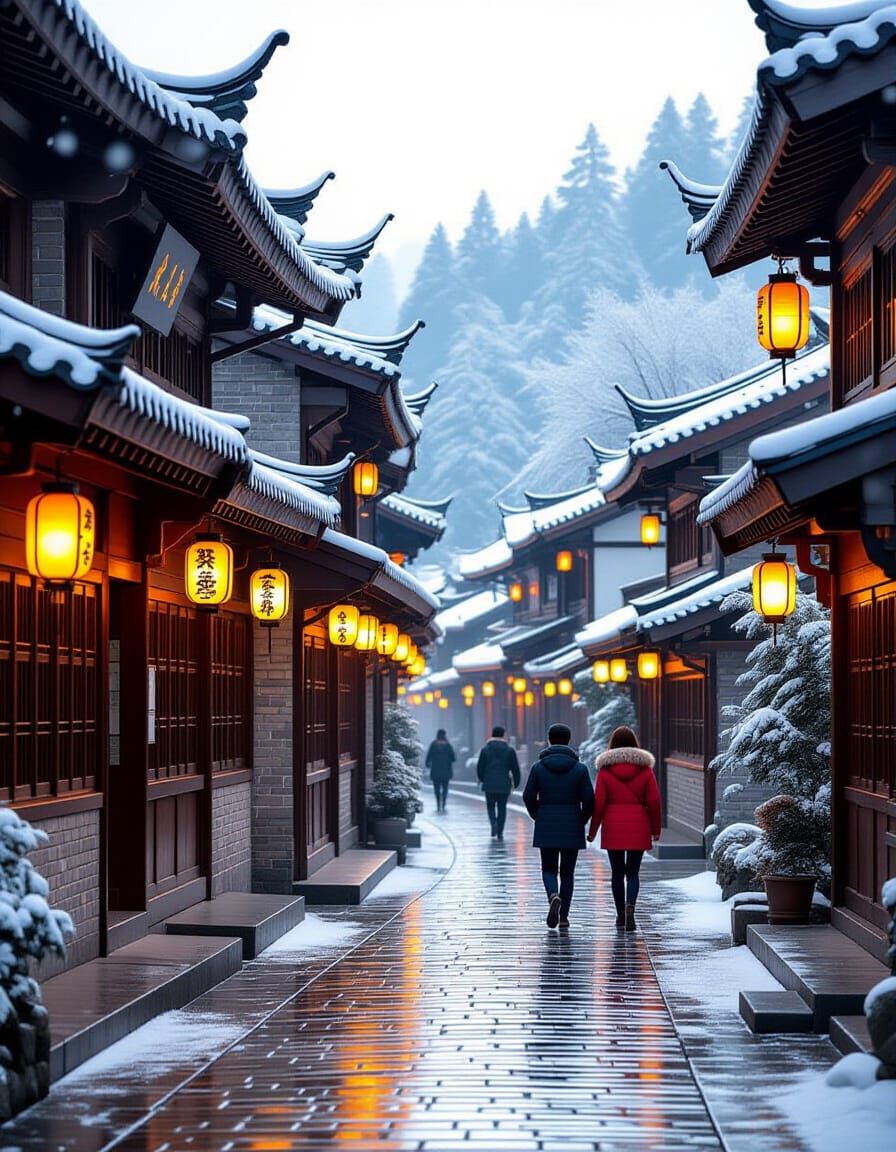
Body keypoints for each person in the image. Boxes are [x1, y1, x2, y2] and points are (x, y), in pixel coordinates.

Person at [587, 725, 662, 932]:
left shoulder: (605, 770)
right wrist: (656, 829)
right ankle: (631, 907)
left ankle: (621, 914)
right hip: (639, 824)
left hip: (613, 825)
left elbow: (599, 802)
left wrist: (593, 830)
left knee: (617, 873)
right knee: (633, 873)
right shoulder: (645, 770)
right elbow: (654, 801)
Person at [523, 723, 594, 930]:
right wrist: (581, 819)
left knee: (548, 868)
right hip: (572, 821)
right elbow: (589, 799)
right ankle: (563, 918)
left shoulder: (538, 767)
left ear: (549, 740)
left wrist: (538, 815)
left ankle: (553, 894)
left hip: (547, 821)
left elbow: (528, 796)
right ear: (569, 740)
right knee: (568, 873)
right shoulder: (580, 769)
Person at [476, 725, 521, 840]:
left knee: (490, 806)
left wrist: (482, 779)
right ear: (503, 735)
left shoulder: (485, 749)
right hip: (504, 783)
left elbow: (480, 767)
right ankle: (500, 830)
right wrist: (516, 782)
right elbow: (515, 768)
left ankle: (493, 824)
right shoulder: (509, 750)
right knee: (502, 807)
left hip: (489, 783)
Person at [425, 728, 455, 813]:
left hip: (435, 771)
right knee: (445, 788)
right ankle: (444, 803)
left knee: (436, 788)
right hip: (446, 771)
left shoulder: (433, 744)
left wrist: (428, 764)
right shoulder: (448, 745)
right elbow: (453, 758)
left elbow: (428, 756)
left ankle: (438, 804)